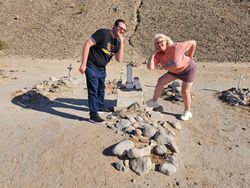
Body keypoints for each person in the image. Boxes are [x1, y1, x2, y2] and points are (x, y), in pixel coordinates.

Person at [79, 19, 126, 123]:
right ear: (114, 26)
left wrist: (122, 42)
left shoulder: (117, 42)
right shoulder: (103, 33)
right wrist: (83, 64)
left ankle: (100, 106)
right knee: (93, 90)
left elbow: (119, 59)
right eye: (120, 28)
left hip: (101, 68)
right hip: (91, 65)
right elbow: (87, 44)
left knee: (101, 89)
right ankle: (93, 115)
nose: (122, 30)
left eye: (124, 30)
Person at [146, 34, 197, 121]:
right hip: (174, 72)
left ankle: (187, 112)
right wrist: (153, 53)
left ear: (166, 41)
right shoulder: (158, 55)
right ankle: (154, 101)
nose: (159, 44)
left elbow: (193, 43)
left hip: (188, 69)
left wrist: (190, 56)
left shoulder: (177, 47)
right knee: (161, 81)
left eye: (161, 42)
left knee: (185, 91)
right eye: (156, 43)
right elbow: (150, 67)